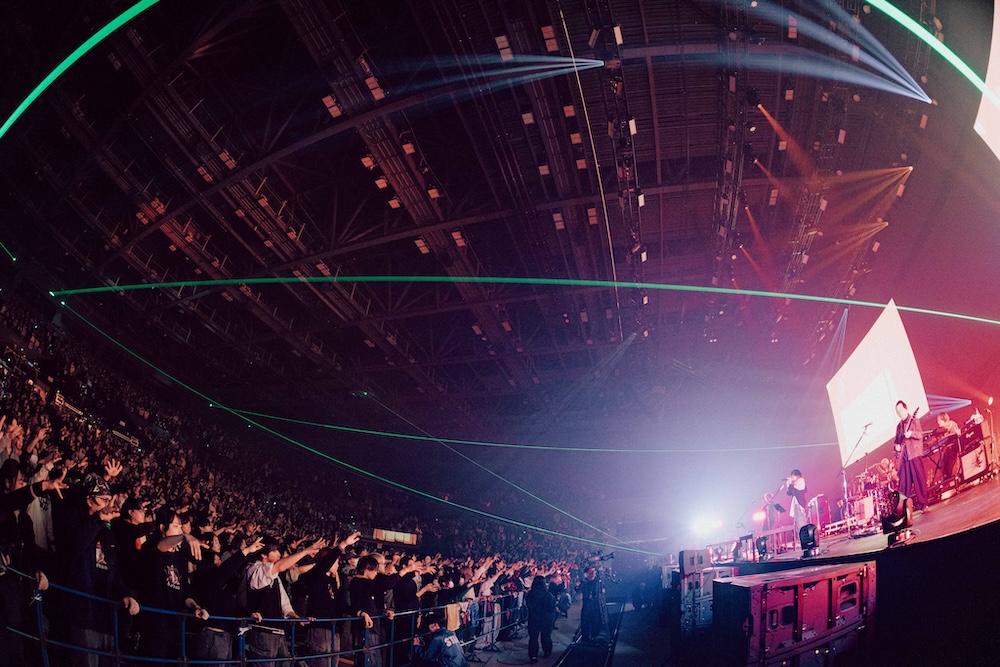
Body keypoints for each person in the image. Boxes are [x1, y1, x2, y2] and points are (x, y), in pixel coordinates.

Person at [895, 401, 929, 511]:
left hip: (914, 454)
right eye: (898, 411)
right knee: (904, 483)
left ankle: (924, 504)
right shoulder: (899, 426)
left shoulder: (914, 420)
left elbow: (920, 434)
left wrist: (911, 434)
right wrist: (897, 446)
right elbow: (897, 442)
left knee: (919, 479)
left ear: (906, 408)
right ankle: (903, 508)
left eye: (901, 410)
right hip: (904, 457)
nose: (900, 413)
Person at [525, 575, 556, 663]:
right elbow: (551, 607)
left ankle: (533, 656)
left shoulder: (530, 594)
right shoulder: (548, 594)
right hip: (546, 618)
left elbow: (528, 605)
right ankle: (547, 651)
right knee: (546, 635)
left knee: (533, 638)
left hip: (534, 618)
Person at [577, 567, 603, 642]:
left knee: (596, 621)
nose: (592, 574)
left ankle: (594, 635)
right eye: (590, 572)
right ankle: (585, 637)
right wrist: (577, 586)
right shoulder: (584, 582)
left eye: (593, 572)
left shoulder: (598, 581)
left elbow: (603, 590)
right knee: (585, 621)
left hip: (596, 604)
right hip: (587, 604)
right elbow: (578, 589)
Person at [937, 412, 962, 479]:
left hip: (953, 448)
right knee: (944, 465)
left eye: (938, 420)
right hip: (948, 449)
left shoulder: (951, 424)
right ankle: (947, 478)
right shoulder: (942, 430)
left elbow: (955, 436)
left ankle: (953, 478)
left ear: (943, 419)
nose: (938, 422)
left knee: (950, 464)